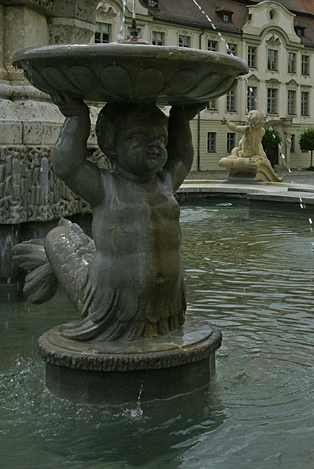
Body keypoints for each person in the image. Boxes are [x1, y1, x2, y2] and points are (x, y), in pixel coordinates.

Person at [44, 93, 203, 341]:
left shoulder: (165, 183)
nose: (155, 146)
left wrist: (181, 117)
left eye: (161, 139)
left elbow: (182, 156)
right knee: (58, 237)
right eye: (139, 138)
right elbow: (67, 166)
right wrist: (77, 118)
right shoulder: (105, 187)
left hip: (165, 306)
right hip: (114, 306)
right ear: (110, 145)